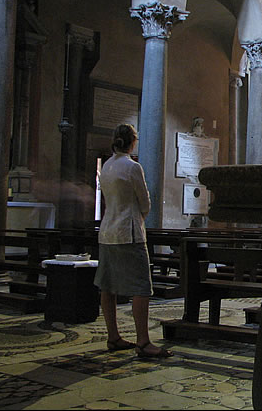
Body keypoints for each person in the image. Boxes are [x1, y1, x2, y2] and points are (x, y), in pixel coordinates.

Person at [94, 123, 173, 359]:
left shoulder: (107, 165)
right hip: (128, 232)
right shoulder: (132, 167)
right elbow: (145, 200)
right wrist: (139, 216)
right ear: (132, 142)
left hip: (107, 231)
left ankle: (113, 336)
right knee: (141, 287)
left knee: (107, 286)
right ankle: (143, 341)